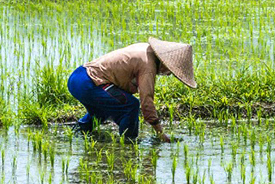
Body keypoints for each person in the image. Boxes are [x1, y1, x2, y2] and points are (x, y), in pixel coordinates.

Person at [67, 38, 196, 142]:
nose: (167, 74)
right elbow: (146, 100)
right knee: (131, 105)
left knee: (109, 106)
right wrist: (160, 133)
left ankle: (79, 131)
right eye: (170, 71)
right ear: (165, 64)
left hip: (78, 77)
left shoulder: (145, 48)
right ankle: (128, 143)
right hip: (88, 83)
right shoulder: (148, 65)